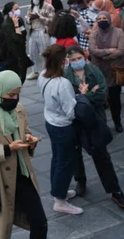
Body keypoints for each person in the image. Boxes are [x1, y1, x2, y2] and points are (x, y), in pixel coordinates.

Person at [0, 71, 47, 238]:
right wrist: (7, 149)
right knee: (0, 232)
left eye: (17, 94)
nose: (14, 98)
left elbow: (25, 132)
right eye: (11, 94)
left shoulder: (19, 109)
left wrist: (30, 140)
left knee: (39, 222)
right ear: (0, 90)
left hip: (23, 174)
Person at [63, 46, 124, 209]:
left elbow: (102, 95)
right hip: (75, 120)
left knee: (102, 155)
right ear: (68, 61)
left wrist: (84, 96)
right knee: (75, 152)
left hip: (95, 119)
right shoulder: (66, 75)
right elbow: (66, 99)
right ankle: (81, 181)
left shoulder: (94, 70)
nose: (76, 62)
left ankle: (115, 191)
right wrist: (86, 96)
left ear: (84, 56)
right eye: (72, 60)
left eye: (78, 58)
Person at [38, 44, 83, 215]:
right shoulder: (62, 83)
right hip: (63, 125)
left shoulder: (43, 75)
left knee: (57, 158)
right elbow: (70, 111)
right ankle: (60, 200)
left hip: (51, 121)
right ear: (63, 61)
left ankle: (59, 191)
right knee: (66, 162)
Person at [89, 11, 124, 132]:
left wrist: (103, 55)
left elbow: (120, 51)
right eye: (99, 19)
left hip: (114, 71)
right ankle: (101, 124)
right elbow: (93, 51)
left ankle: (117, 122)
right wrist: (110, 51)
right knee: (99, 100)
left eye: (104, 18)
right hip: (98, 72)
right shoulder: (94, 34)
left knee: (115, 100)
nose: (101, 20)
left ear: (109, 19)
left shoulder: (118, 32)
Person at [25, 0, 55, 80]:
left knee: (44, 52)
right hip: (33, 31)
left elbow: (52, 21)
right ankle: (35, 71)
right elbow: (26, 18)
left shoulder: (49, 6)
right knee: (32, 52)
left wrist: (39, 17)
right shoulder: (31, 7)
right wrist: (30, 18)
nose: (35, 0)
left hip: (43, 31)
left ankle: (46, 70)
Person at [1, 2, 33, 83]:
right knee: (18, 77)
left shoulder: (20, 20)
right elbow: (17, 38)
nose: (18, 11)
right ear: (10, 12)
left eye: (18, 8)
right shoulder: (6, 25)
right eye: (15, 9)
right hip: (14, 54)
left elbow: (24, 33)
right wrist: (16, 25)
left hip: (22, 51)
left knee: (23, 75)